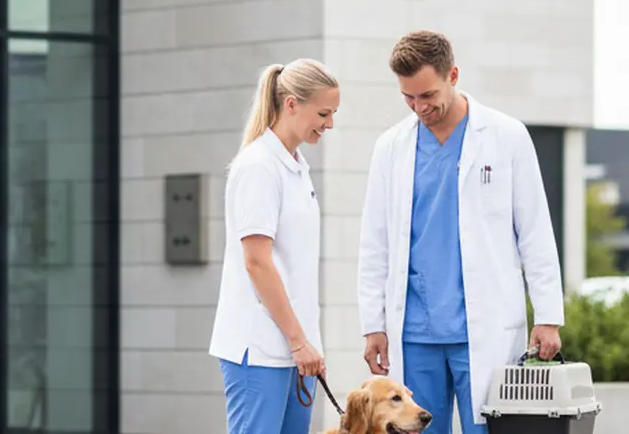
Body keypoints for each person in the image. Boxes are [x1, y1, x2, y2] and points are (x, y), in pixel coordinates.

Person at [357, 31, 565, 434]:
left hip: (484, 324)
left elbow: (535, 231)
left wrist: (548, 316)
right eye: (408, 97)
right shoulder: (390, 147)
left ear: (453, 75)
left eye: (428, 95)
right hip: (414, 331)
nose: (419, 107)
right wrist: (373, 324)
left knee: (487, 429)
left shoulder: (507, 136)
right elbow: (374, 244)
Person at [209, 59, 341, 434]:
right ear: (291, 104)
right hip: (260, 348)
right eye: (323, 113)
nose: (330, 124)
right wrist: (299, 342)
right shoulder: (258, 167)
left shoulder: (296, 168)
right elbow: (257, 263)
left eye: (333, 114)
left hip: (296, 350)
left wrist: (305, 343)